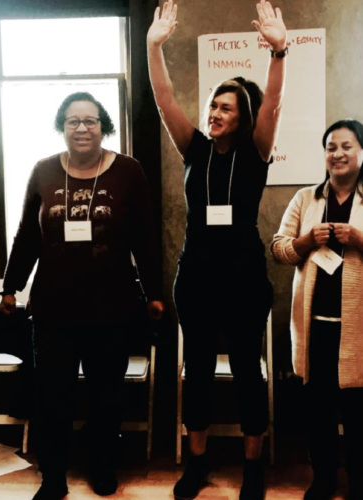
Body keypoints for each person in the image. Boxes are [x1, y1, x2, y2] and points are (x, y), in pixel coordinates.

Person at [147, 1, 287, 499]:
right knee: (198, 371)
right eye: (212, 105)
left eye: (225, 107)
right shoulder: (194, 148)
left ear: (243, 116)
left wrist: (279, 53)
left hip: (245, 276)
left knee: (249, 371)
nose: (214, 113)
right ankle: (197, 464)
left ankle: (252, 469)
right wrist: (153, 46)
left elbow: (272, 102)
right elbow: (164, 101)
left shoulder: (256, 149)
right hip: (198, 276)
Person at [0, 91, 164, 500]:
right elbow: (26, 236)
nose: (82, 128)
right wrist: (10, 287)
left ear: (103, 126)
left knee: (106, 396)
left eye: (90, 120)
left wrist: (154, 292)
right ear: (62, 127)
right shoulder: (43, 171)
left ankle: (102, 467)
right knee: (53, 396)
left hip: (113, 307)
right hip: (54, 308)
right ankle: (52, 476)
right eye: (73, 121)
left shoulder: (128, 171)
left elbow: (145, 237)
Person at [271, 119, 363, 500]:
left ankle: (359, 482)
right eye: (330, 147)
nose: (337, 154)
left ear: (361, 151)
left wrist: (360, 239)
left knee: (358, 412)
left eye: (346, 146)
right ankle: (322, 478)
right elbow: (278, 249)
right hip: (314, 326)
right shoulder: (306, 198)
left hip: (358, 329)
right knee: (319, 411)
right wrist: (306, 241)